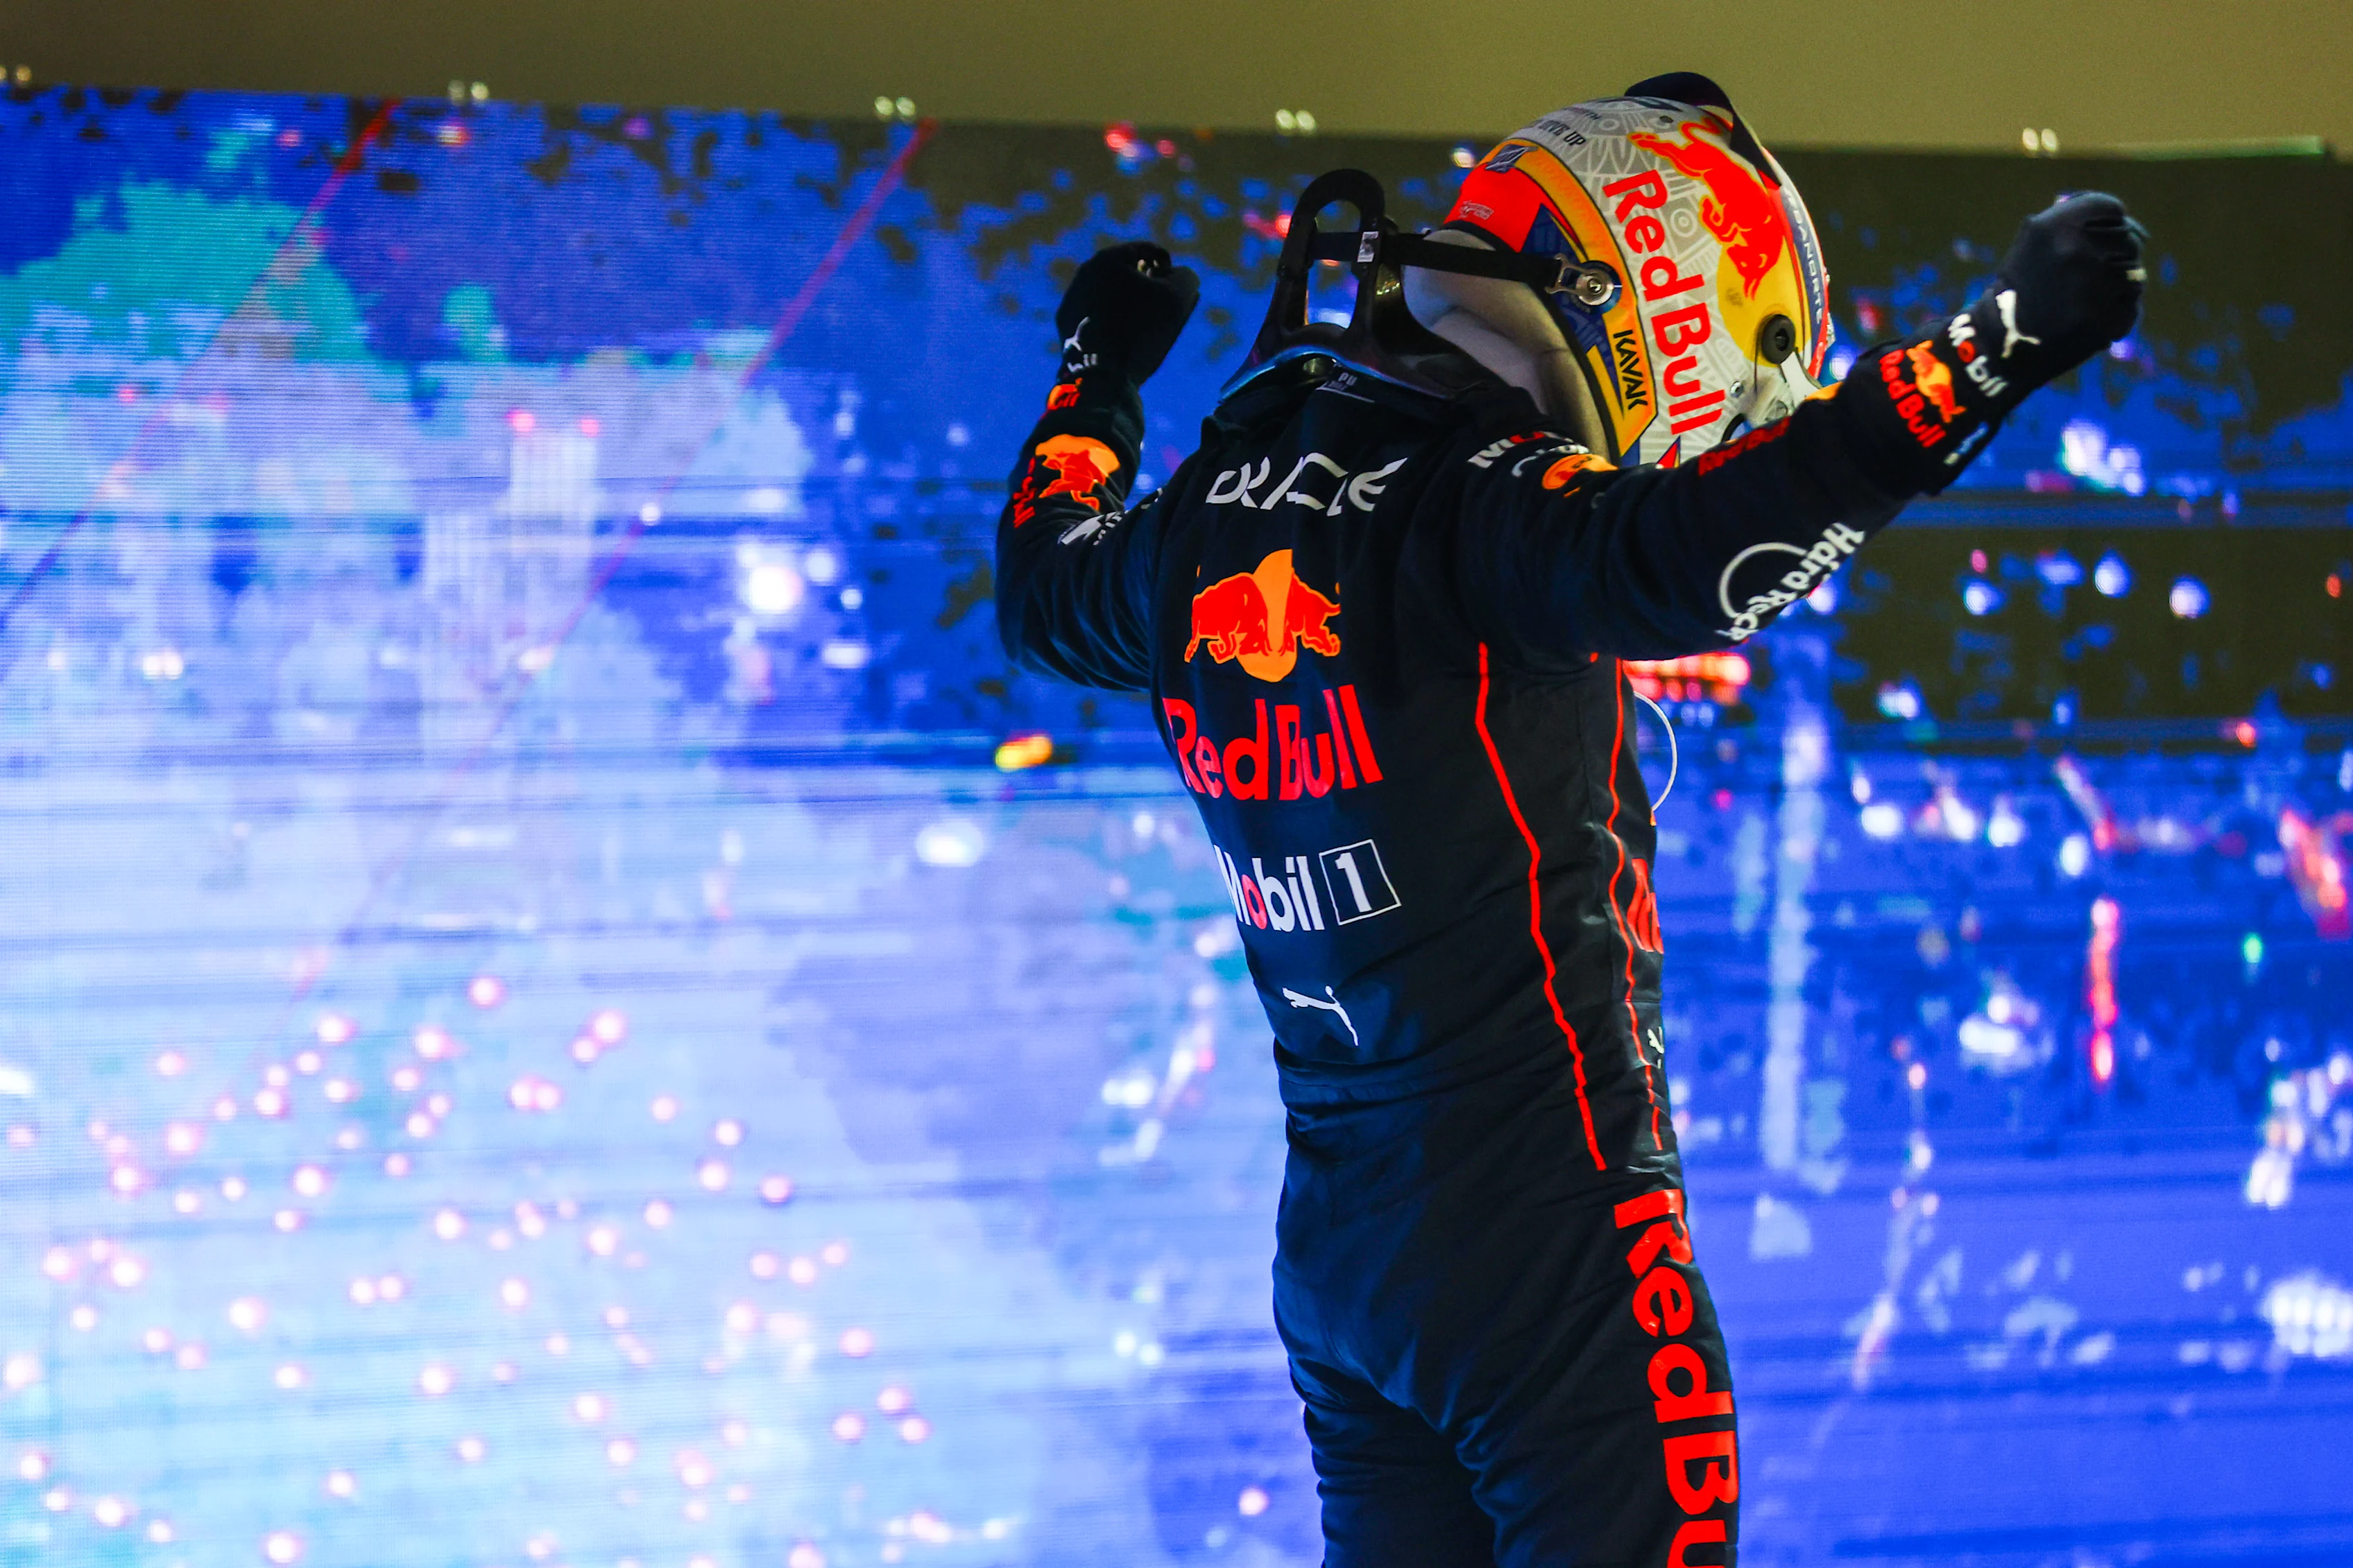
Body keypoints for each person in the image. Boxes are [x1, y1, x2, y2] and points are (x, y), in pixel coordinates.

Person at [995, 73, 2143, 1568]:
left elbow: (1041, 576)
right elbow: (1692, 551)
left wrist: (1096, 376)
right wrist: (1994, 353)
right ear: (1646, 302)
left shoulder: (1225, 490)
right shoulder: (1485, 497)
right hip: (1547, 1250)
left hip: (1344, 1256)